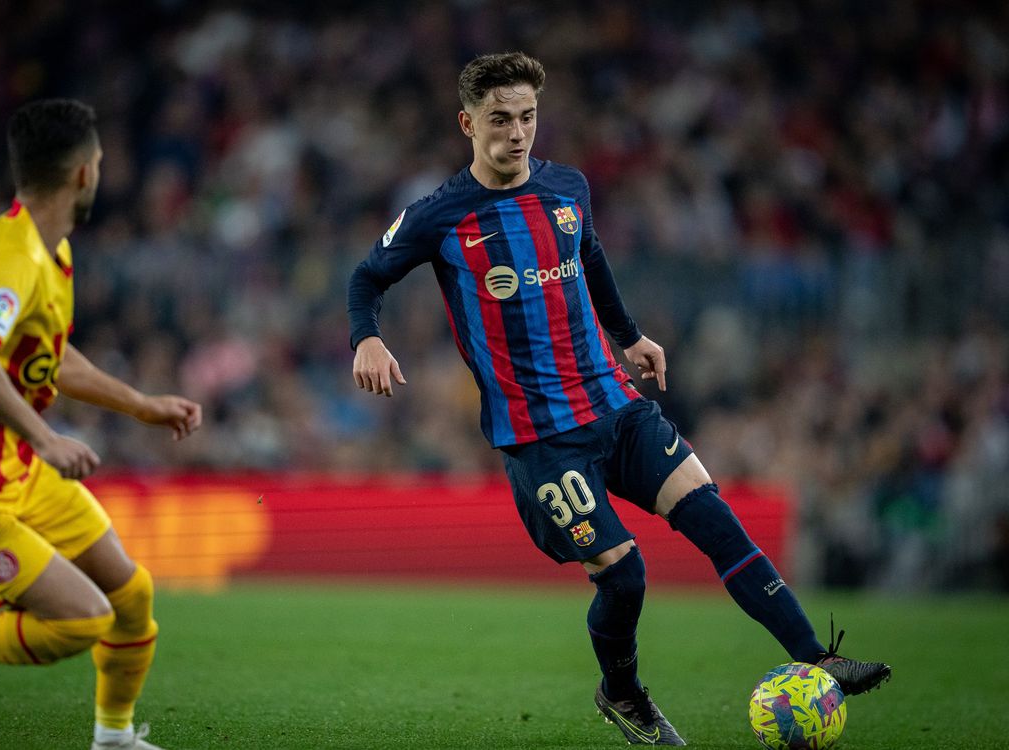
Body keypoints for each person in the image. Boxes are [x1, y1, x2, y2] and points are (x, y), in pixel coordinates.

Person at [347, 52, 890, 745]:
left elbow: (592, 258)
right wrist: (367, 339)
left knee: (716, 521)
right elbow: (365, 278)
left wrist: (630, 336)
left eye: (528, 117)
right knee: (625, 576)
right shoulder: (439, 215)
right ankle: (623, 693)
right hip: (542, 438)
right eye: (500, 119)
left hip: (616, 405)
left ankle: (817, 658)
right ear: (467, 124)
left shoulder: (566, 188)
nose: (517, 133)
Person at [0, 99, 202, 750]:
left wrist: (141, 405)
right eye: (100, 164)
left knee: (131, 596)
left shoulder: (44, 251)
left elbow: (50, 358)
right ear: (84, 173)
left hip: (10, 465)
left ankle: (113, 738)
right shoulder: (11, 257)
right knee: (82, 619)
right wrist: (45, 437)